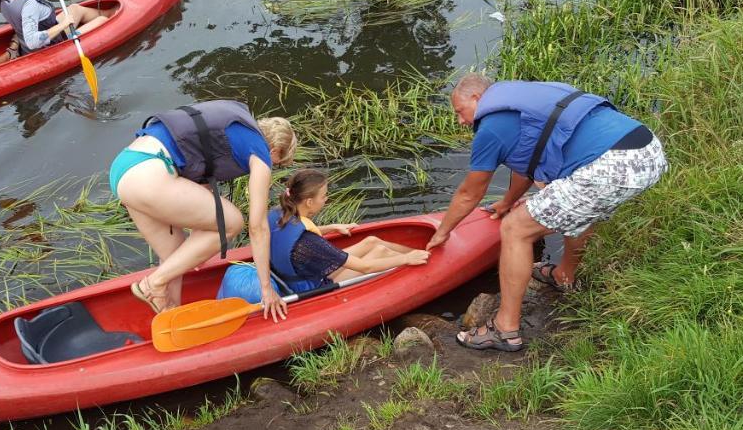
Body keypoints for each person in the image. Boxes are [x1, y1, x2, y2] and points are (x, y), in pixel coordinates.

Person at [425, 74, 668, 351]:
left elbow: (470, 192)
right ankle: (564, 276)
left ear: (477, 98)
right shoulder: (520, 101)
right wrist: (507, 202)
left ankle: (505, 329)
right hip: (648, 150)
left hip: (613, 165)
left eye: (460, 111)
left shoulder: (491, 127)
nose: (460, 120)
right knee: (571, 202)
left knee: (515, 229)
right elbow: (526, 162)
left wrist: (443, 232)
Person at [110, 101, 297, 320]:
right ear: (275, 150)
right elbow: (257, 227)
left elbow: (199, 205)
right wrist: (266, 289)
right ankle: (153, 283)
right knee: (233, 222)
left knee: (174, 256)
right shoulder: (260, 150)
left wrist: (197, 251)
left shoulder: (232, 131)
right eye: (279, 163)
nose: (274, 166)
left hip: (124, 170)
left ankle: (170, 318)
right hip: (150, 172)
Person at [268, 168, 429, 293]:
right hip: (314, 286)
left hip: (302, 272)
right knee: (381, 251)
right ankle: (419, 263)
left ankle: (421, 254)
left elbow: (294, 233)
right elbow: (365, 267)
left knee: (372, 241)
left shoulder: (278, 212)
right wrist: (406, 259)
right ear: (309, 202)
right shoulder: (310, 242)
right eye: (324, 196)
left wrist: (331, 228)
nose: (326, 199)